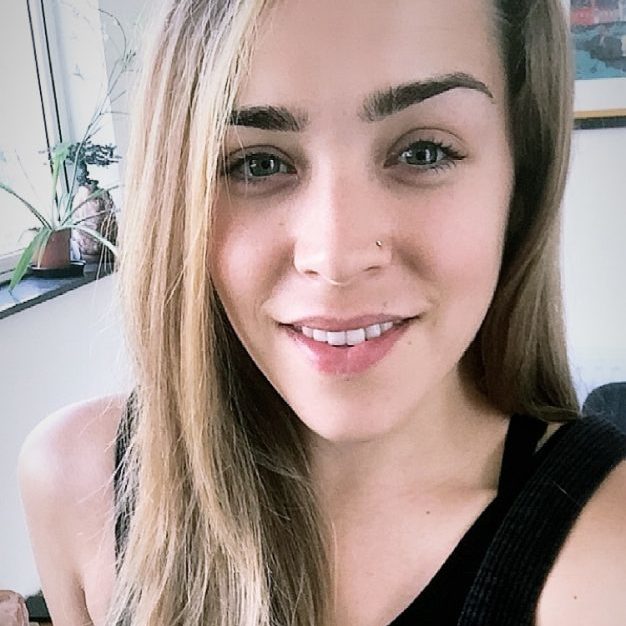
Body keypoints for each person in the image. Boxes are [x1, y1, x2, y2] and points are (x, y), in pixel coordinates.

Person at [18, 0, 626, 624]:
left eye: (423, 152)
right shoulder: (75, 485)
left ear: (521, 180)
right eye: (258, 164)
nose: (335, 258)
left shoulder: (607, 563)